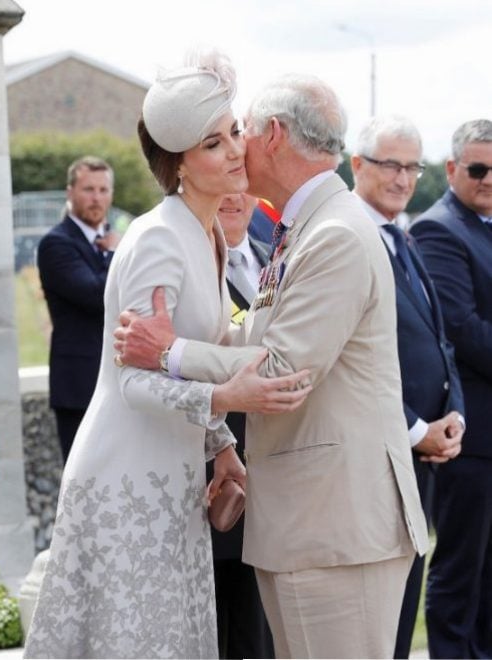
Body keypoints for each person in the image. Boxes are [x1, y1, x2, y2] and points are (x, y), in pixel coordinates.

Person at [114, 74, 429, 659]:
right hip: (313, 525)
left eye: (242, 132)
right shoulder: (308, 227)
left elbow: (281, 367)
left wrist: (168, 352)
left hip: (334, 529)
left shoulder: (334, 233)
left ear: (275, 135)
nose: (236, 148)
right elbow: (256, 335)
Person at [23, 52, 310, 659]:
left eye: (234, 132)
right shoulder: (157, 238)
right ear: (178, 162)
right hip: (126, 471)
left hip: (173, 470)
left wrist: (223, 444)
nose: (236, 150)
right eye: (214, 143)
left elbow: (187, 357)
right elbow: (135, 381)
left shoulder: (204, 231)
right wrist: (225, 401)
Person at [350, 114, 465, 658]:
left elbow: (442, 342)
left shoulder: (402, 234)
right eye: (389, 164)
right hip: (375, 459)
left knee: (401, 613)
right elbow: (351, 364)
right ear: (356, 165)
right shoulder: (349, 237)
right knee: (374, 625)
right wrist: (417, 429)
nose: (402, 179)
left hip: (420, 455)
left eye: (411, 167)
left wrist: (454, 415)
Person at [409, 118, 492, 659]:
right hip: (470, 437)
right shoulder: (440, 229)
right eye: (479, 168)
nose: (489, 179)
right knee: (461, 574)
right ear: (451, 168)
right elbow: (462, 330)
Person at [211, 192, 275, 660]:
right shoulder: (187, 258)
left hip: (278, 475)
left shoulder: (274, 255)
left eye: (244, 181)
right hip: (216, 472)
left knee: (264, 631)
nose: (234, 195)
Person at [37, 156, 118, 463]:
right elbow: (95, 294)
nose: (96, 198)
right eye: (88, 189)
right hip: (79, 386)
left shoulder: (113, 239)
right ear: (70, 192)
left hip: (119, 380)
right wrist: (115, 253)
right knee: (84, 483)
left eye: (103, 189)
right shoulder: (56, 244)